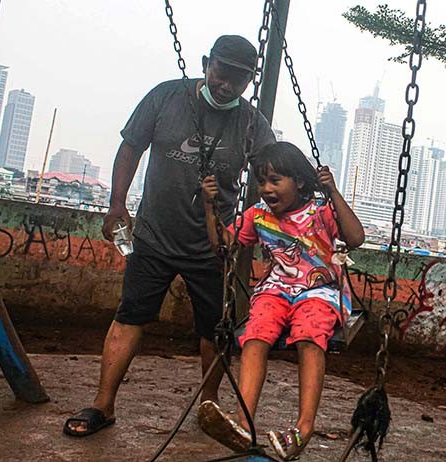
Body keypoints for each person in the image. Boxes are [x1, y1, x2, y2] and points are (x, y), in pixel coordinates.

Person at [63, 35, 276, 437]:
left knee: (215, 329)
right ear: (205, 63)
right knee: (129, 316)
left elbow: (273, 173)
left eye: (238, 79)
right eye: (220, 73)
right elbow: (131, 147)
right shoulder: (165, 97)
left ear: (250, 81)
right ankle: (102, 404)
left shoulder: (251, 123)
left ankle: (208, 406)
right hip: (154, 237)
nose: (226, 85)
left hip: (214, 247)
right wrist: (116, 203)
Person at [198, 141, 364, 460]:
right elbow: (224, 246)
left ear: (299, 181)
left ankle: (304, 427)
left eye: (275, 180)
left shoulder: (320, 211)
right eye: (262, 182)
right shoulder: (258, 215)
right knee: (255, 335)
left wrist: (334, 193)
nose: (266, 189)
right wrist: (210, 206)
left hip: (319, 290)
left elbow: (355, 238)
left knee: (309, 336)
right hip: (275, 289)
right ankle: (243, 422)